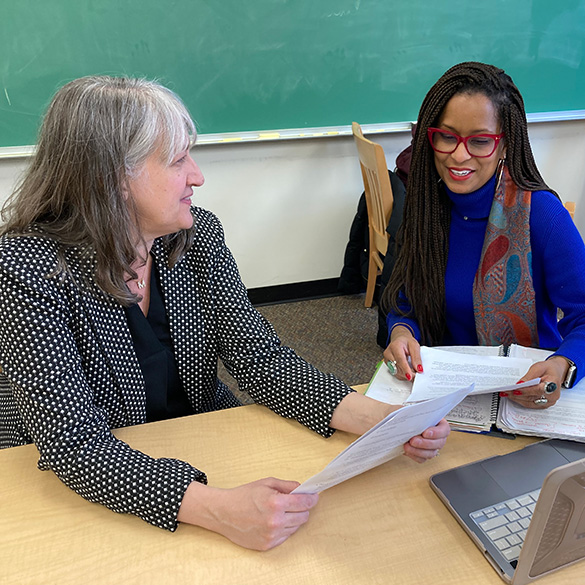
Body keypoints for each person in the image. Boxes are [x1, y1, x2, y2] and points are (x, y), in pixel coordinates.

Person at [0, 76, 450, 552]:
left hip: (198, 435)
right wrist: (220, 509)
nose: (197, 175)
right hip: (76, 477)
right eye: (177, 160)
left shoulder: (194, 236)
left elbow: (262, 361)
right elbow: (76, 444)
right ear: (112, 177)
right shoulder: (26, 267)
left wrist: (382, 420)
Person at [382, 62, 585, 411]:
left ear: (503, 145)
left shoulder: (540, 215)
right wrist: (402, 332)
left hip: (528, 396)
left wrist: (563, 365)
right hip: (447, 397)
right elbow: (408, 300)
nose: (459, 154)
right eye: (447, 136)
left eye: (480, 140)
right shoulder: (427, 209)